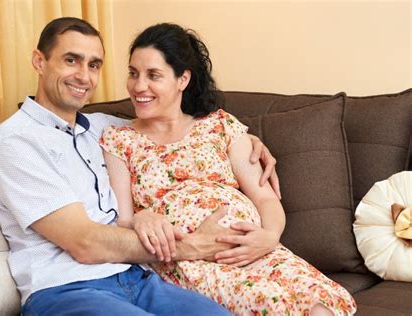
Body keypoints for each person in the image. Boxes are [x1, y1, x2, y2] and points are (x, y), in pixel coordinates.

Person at [0, 17, 277, 315]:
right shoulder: (17, 144)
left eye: (94, 65)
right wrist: (189, 246)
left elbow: (172, 131)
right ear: (39, 61)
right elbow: (85, 243)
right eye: (71, 60)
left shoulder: (101, 128)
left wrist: (245, 140)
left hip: (138, 280)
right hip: (67, 288)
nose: (83, 76)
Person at [100, 23, 357, 315]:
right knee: (270, 302)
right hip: (189, 260)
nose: (138, 86)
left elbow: (265, 199)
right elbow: (122, 218)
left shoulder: (220, 126)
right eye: (133, 73)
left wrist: (270, 236)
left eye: (153, 75)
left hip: (251, 246)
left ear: (183, 79)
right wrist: (140, 218)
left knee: (321, 299)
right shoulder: (120, 139)